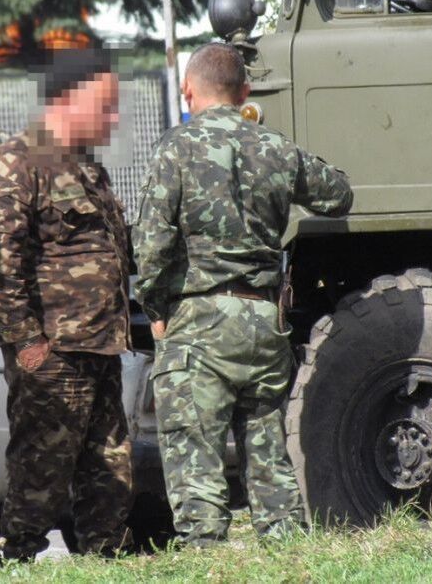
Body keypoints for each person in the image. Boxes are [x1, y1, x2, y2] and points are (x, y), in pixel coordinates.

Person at [133, 42, 353, 546]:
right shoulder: (274, 147)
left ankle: (207, 562)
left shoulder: (176, 147)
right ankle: (289, 557)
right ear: (245, 92)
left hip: (198, 323)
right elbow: (338, 193)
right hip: (263, 322)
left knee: (196, 462)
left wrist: (156, 307)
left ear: (188, 90)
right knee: (268, 455)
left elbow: (152, 243)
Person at [0, 48, 133, 561]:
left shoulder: (87, 169)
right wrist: (26, 340)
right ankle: (18, 558)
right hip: (54, 352)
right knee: (43, 467)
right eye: (105, 106)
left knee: (110, 465)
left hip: (100, 344)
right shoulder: (20, 162)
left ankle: (105, 559)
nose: (114, 118)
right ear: (69, 99)